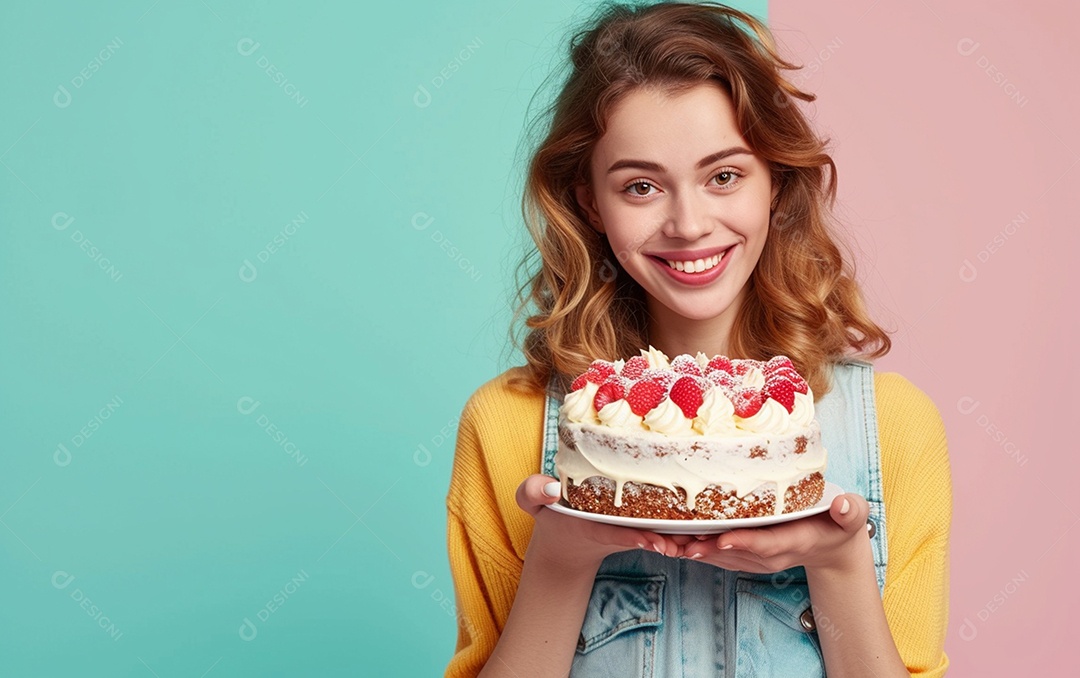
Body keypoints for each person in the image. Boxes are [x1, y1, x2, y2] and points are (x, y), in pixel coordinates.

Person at [444, 2, 951, 676]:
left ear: (774, 179)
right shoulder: (506, 426)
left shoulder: (894, 427)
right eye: (641, 186)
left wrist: (838, 560)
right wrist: (559, 557)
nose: (688, 224)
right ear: (591, 201)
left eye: (723, 176)